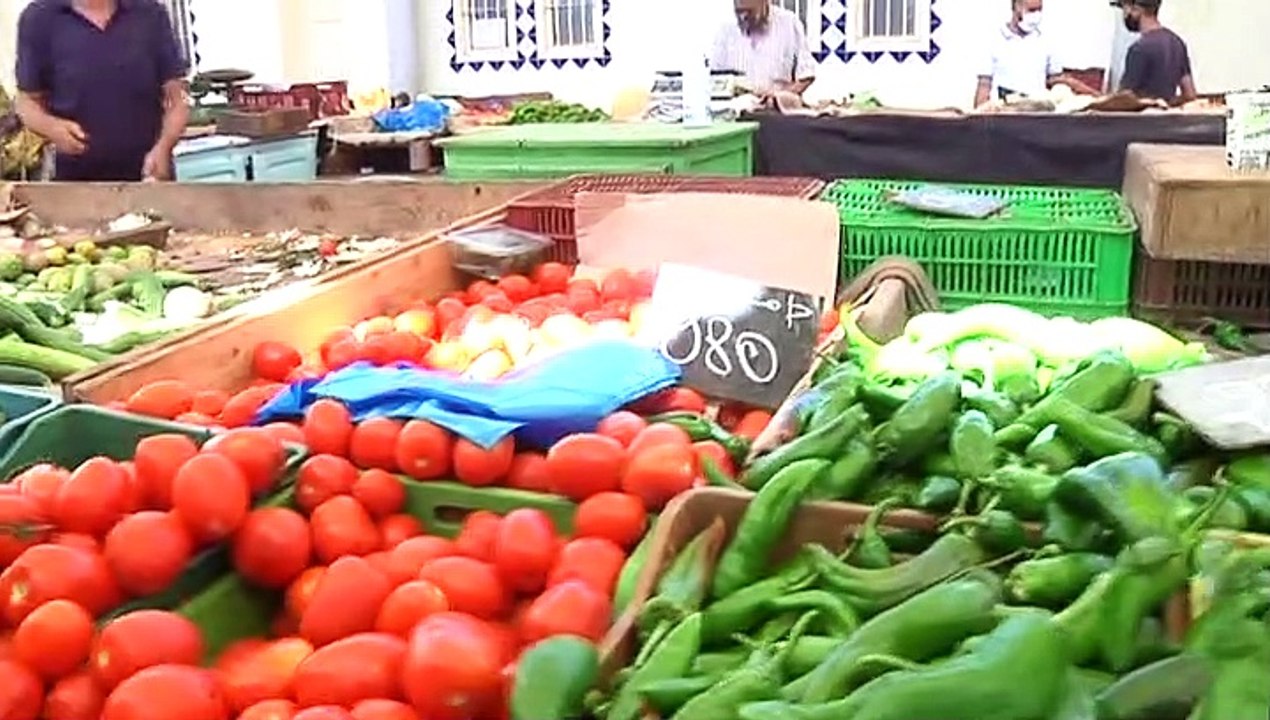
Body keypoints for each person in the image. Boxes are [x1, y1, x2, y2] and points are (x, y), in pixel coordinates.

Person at [15, 0, 190, 181]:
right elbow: (26, 101)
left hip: (150, 177)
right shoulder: (39, 19)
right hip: (76, 183)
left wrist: (164, 146)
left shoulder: (150, 14)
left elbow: (178, 98)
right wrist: (51, 127)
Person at [975, 0, 1099, 107]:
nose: (1036, 15)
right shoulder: (994, 40)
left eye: (1039, 10)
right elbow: (984, 85)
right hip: (1004, 112)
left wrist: (1096, 96)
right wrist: (976, 123)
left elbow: (1057, 79)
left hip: (1036, 113)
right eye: (1031, 10)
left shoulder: (1046, 40)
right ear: (1016, 6)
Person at [711, 0, 816, 99]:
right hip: (738, 113)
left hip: (777, 112)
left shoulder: (789, 24)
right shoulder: (725, 30)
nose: (743, 17)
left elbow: (806, 76)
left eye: (749, 12)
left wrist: (780, 97)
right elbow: (715, 80)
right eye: (739, 12)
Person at [1112, 0, 1197, 104]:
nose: (1124, 15)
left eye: (1124, 8)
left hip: (1139, 120)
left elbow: (1122, 99)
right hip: (1167, 119)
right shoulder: (1177, 43)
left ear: (1136, 9)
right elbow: (1190, 95)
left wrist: (1096, 103)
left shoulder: (1139, 48)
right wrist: (1165, 104)